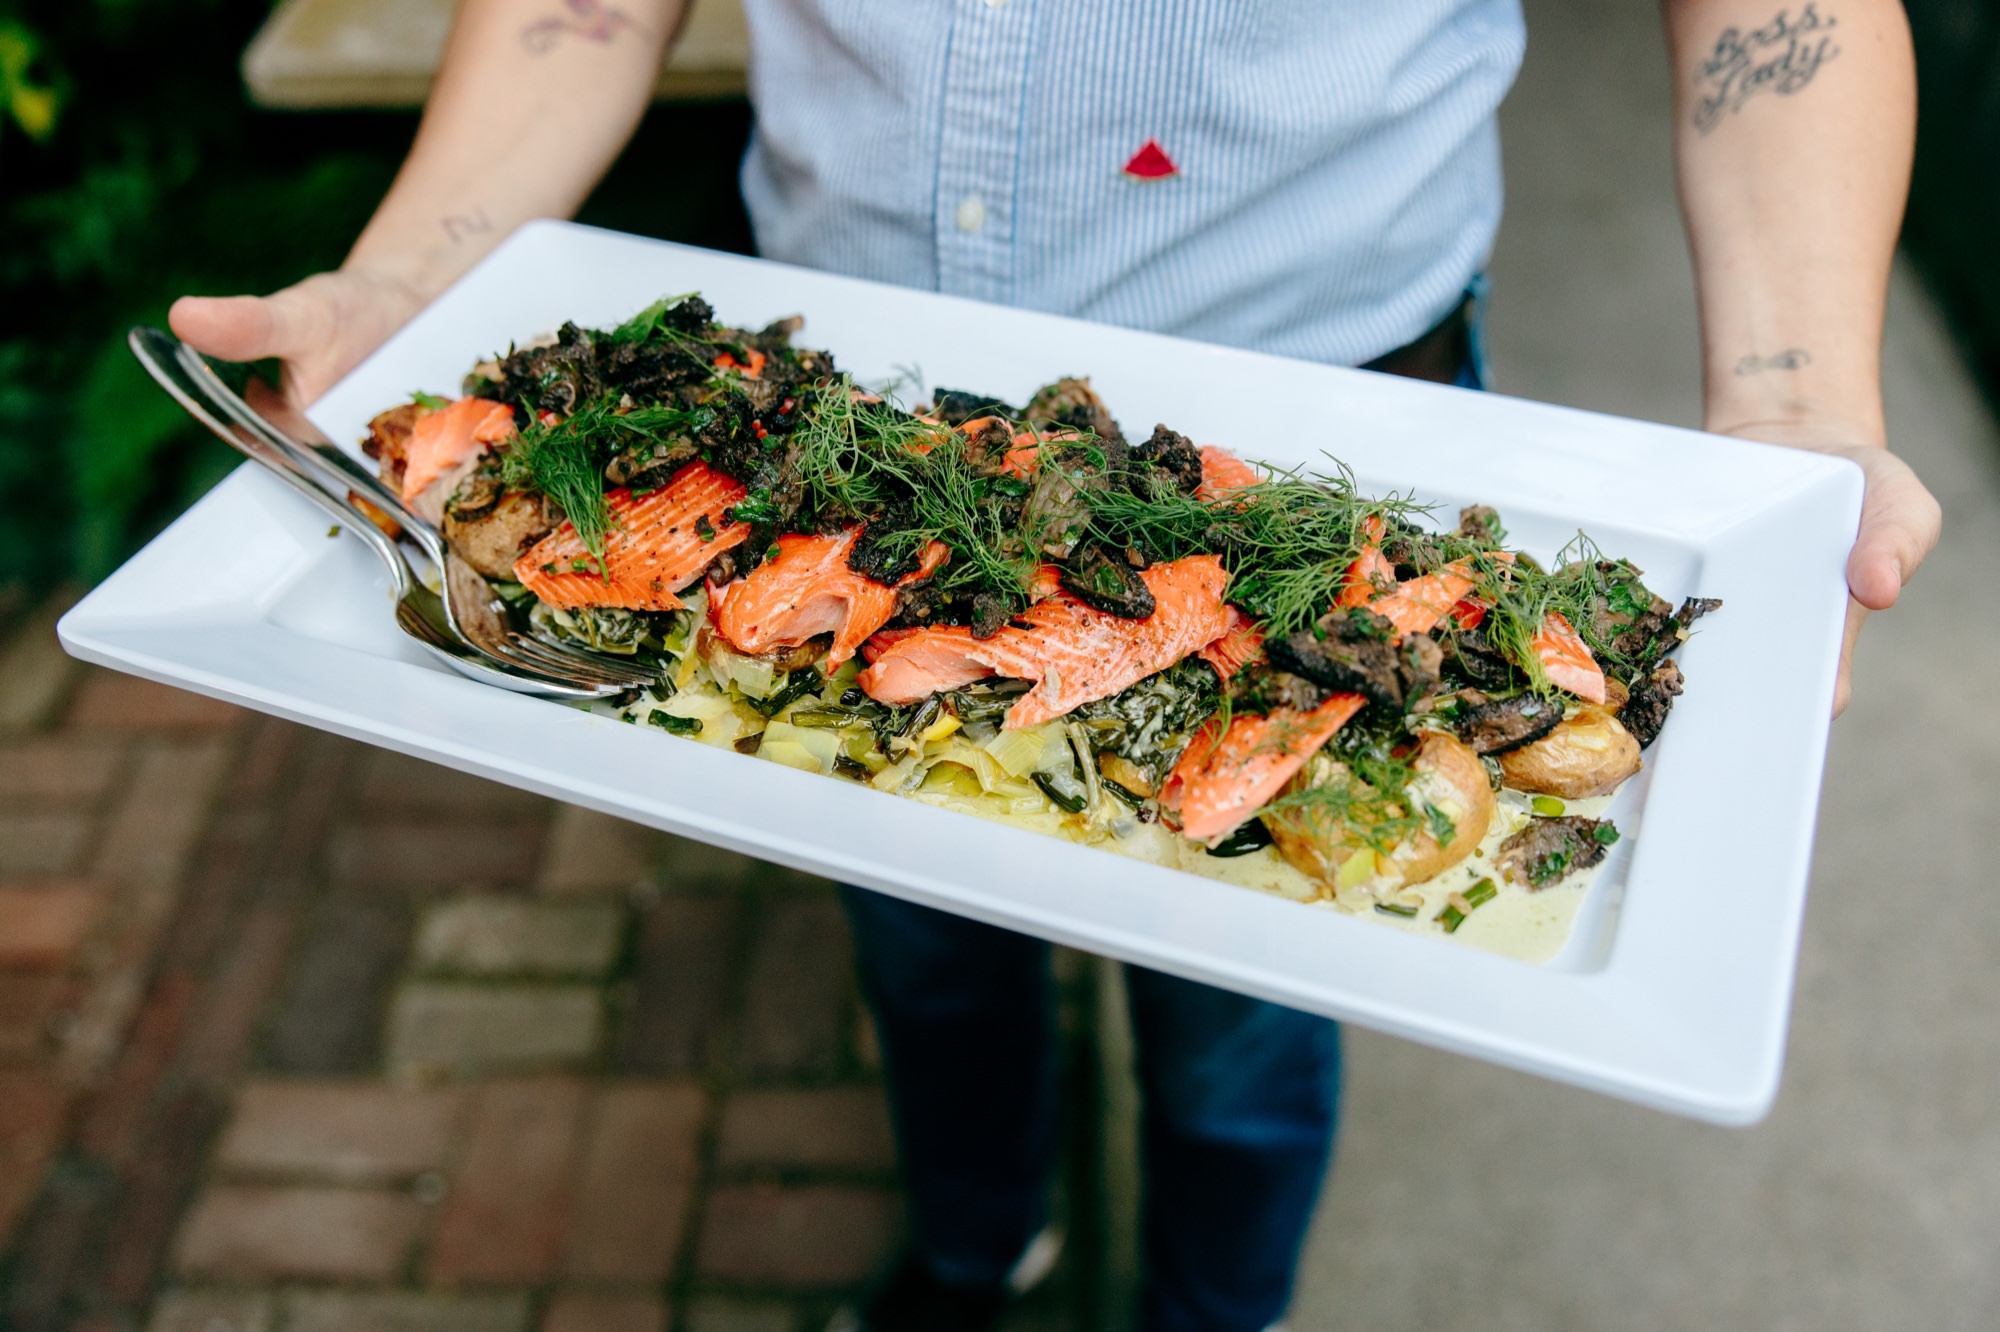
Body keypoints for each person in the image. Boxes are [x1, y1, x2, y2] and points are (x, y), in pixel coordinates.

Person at [171, 2, 1941, 1329]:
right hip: (854, 403)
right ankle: (977, 1245)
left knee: (1244, 1041)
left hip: (1341, 387)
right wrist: (413, 279)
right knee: (923, 944)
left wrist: (1790, 425)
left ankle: (1209, 1311)